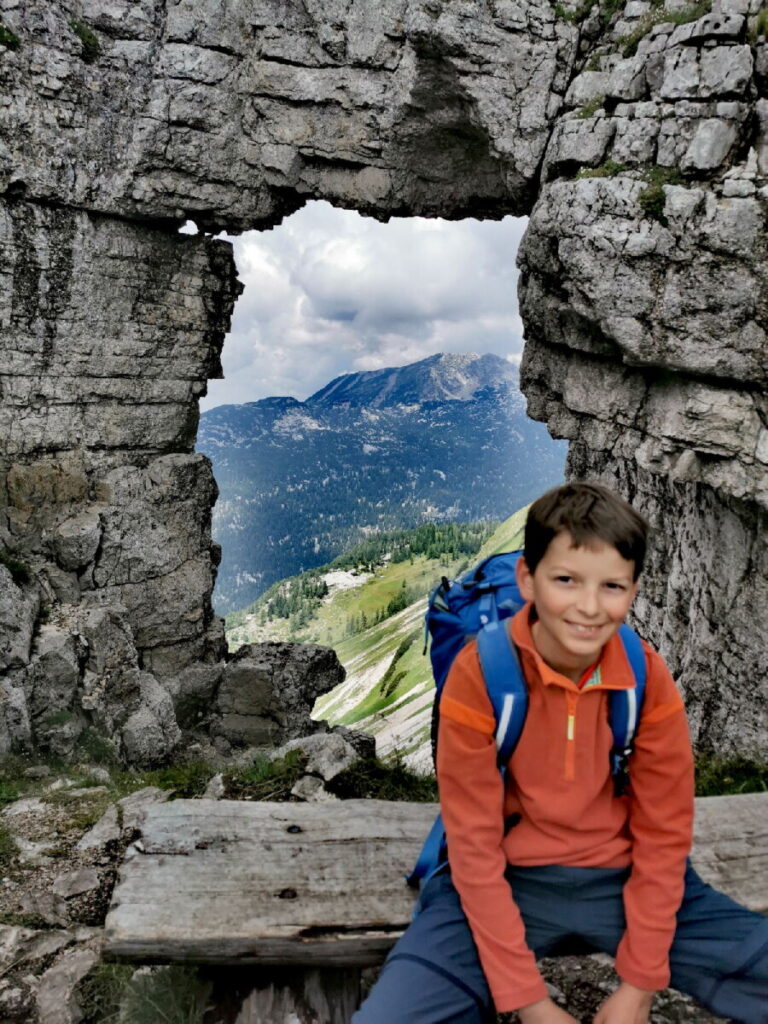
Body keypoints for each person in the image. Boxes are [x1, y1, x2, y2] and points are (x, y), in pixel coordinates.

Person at [353, 481, 768, 1024]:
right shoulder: (480, 675)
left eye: (612, 586)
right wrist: (531, 1003)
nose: (589, 608)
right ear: (528, 579)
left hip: (627, 876)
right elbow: (474, 845)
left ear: (634, 590)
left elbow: (665, 833)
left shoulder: (646, 678)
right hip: (504, 877)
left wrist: (639, 990)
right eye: (566, 580)